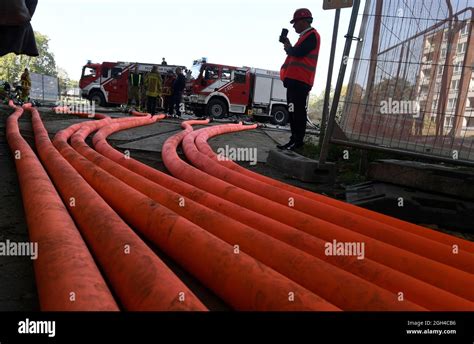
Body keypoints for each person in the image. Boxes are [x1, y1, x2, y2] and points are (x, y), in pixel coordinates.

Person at [278, 8, 320, 151]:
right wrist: (289, 46)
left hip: (301, 82)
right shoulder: (304, 37)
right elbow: (295, 54)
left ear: (303, 21)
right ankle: (293, 139)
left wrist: (289, 46)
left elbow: (299, 53)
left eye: (295, 22)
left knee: (298, 112)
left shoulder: (312, 35)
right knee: (292, 111)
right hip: (294, 81)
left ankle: (298, 141)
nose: (294, 26)